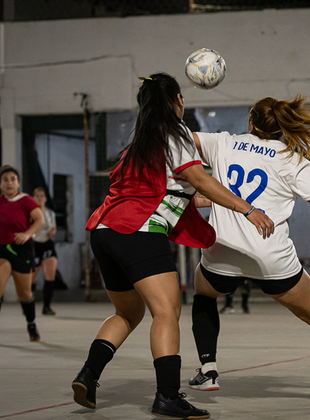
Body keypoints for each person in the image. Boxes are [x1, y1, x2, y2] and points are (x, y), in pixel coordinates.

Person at [71, 73, 274, 419]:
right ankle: (167, 396)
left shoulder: (139, 143)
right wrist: (248, 208)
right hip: (138, 230)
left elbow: (171, 193)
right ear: (178, 100)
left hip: (104, 230)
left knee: (128, 313)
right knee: (167, 312)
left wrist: (218, 203)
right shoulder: (175, 133)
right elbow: (199, 180)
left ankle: (88, 376)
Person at [188, 94, 310, 407]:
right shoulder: (294, 160)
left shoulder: (222, 143)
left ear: (250, 122)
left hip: (223, 251)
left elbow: (179, 139)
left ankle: (208, 369)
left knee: (204, 295)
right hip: (271, 257)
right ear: (283, 127)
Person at [0, 165, 44, 343]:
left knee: (24, 294)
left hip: (21, 250)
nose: (9, 182)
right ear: (0, 184)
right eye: (5, 179)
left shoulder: (26, 200)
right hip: (0, 249)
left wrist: (27, 233)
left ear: (18, 183)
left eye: (13, 179)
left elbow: (40, 220)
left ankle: (31, 325)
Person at [31, 187, 58, 315]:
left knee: (50, 273)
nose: (40, 198)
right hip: (34, 245)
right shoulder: (30, 213)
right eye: (37, 196)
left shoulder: (50, 213)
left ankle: (46, 306)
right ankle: (29, 304)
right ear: (33, 198)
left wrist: (52, 232)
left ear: (45, 199)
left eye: (42, 196)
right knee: (32, 277)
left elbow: (53, 228)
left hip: (47, 245)